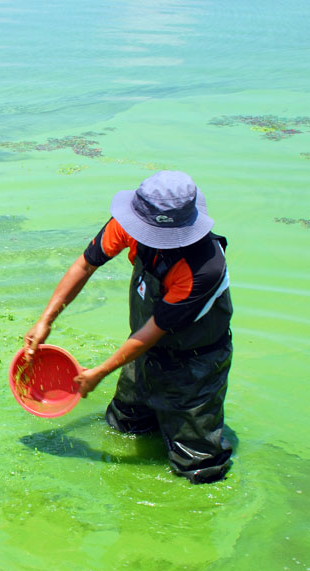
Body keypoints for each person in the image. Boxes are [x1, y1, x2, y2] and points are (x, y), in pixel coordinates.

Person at [23, 170, 233, 483]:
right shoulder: (127, 225)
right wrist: (45, 320)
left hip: (195, 366)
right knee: (125, 425)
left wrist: (99, 372)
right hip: (141, 353)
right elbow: (85, 264)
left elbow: (153, 330)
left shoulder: (203, 267)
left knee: (198, 466)